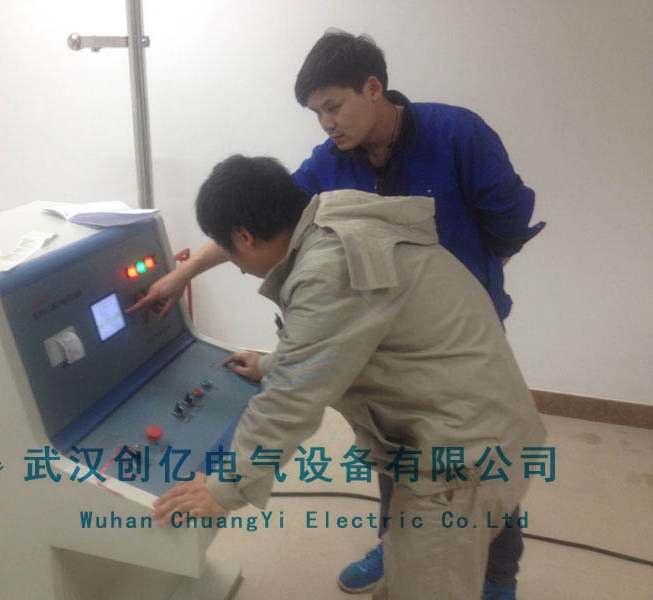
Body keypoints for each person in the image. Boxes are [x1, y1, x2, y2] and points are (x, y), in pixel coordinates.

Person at [134, 31, 545, 599]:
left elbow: (294, 397)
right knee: (412, 555)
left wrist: (223, 487)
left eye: (334, 106)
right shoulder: (327, 202)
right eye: (317, 113)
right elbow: (343, 335)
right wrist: (271, 356)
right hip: (445, 404)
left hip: (461, 451)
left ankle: (495, 580)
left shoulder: (441, 146)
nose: (327, 122)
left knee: (427, 582)